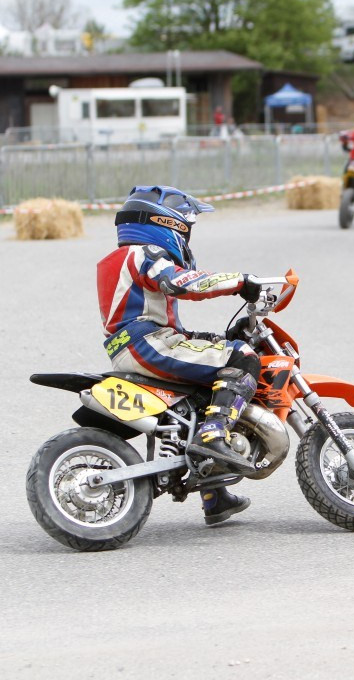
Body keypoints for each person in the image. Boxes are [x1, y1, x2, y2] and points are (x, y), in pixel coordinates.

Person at [96, 185, 263, 525]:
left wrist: (207, 338)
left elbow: (168, 320)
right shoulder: (143, 254)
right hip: (147, 344)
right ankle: (213, 436)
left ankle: (215, 495)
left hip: (138, 345)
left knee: (206, 396)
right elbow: (181, 283)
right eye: (187, 227)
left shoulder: (123, 260)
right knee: (242, 356)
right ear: (167, 224)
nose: (188, 236)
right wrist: (238, 281)